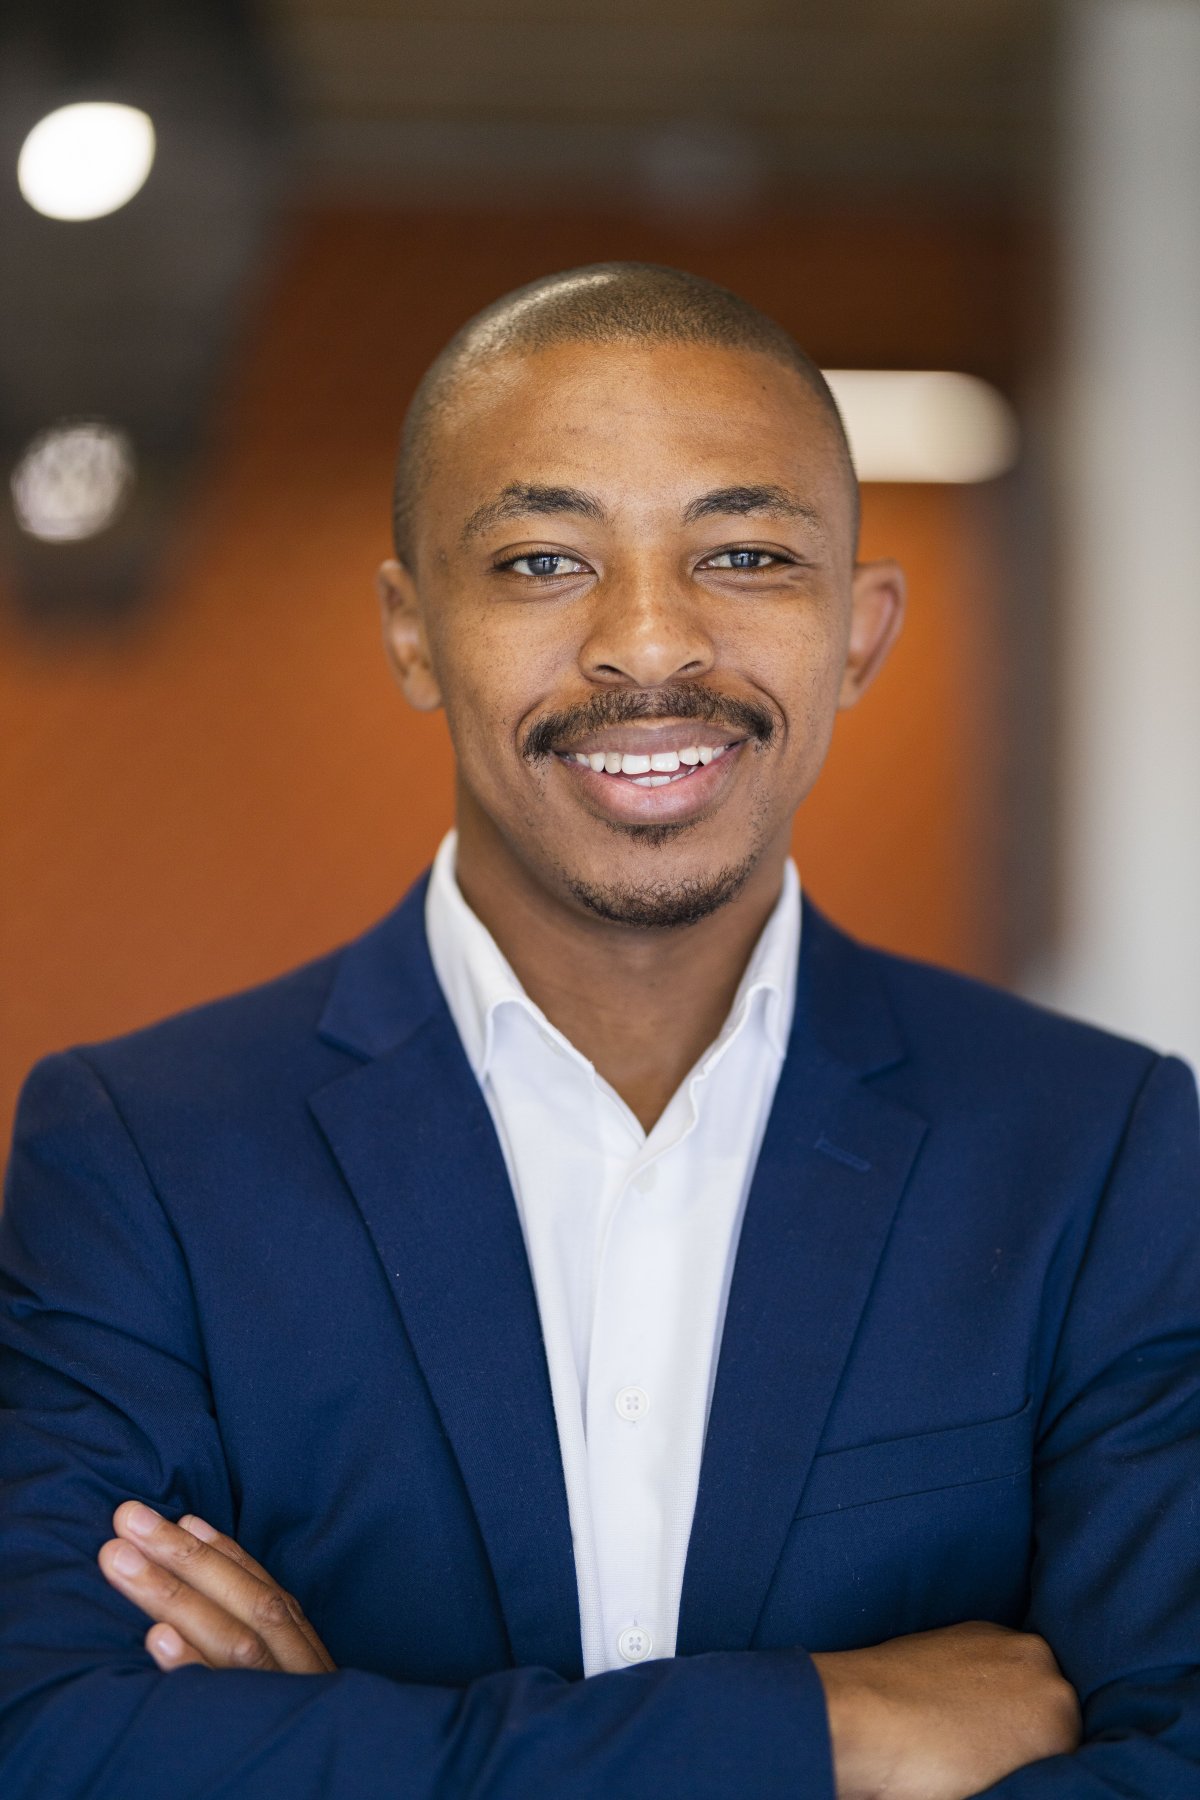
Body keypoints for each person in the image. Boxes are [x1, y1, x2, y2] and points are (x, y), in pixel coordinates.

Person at [1, 263, 1198, 1800]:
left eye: (749, 552)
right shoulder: (145, 1157)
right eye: (546, 560)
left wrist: (333, 1753)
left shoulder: (1089, 1149)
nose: (649, 644)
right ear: (413, 628)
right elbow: (54, 1750)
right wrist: (825, 1736)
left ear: (858, 629)